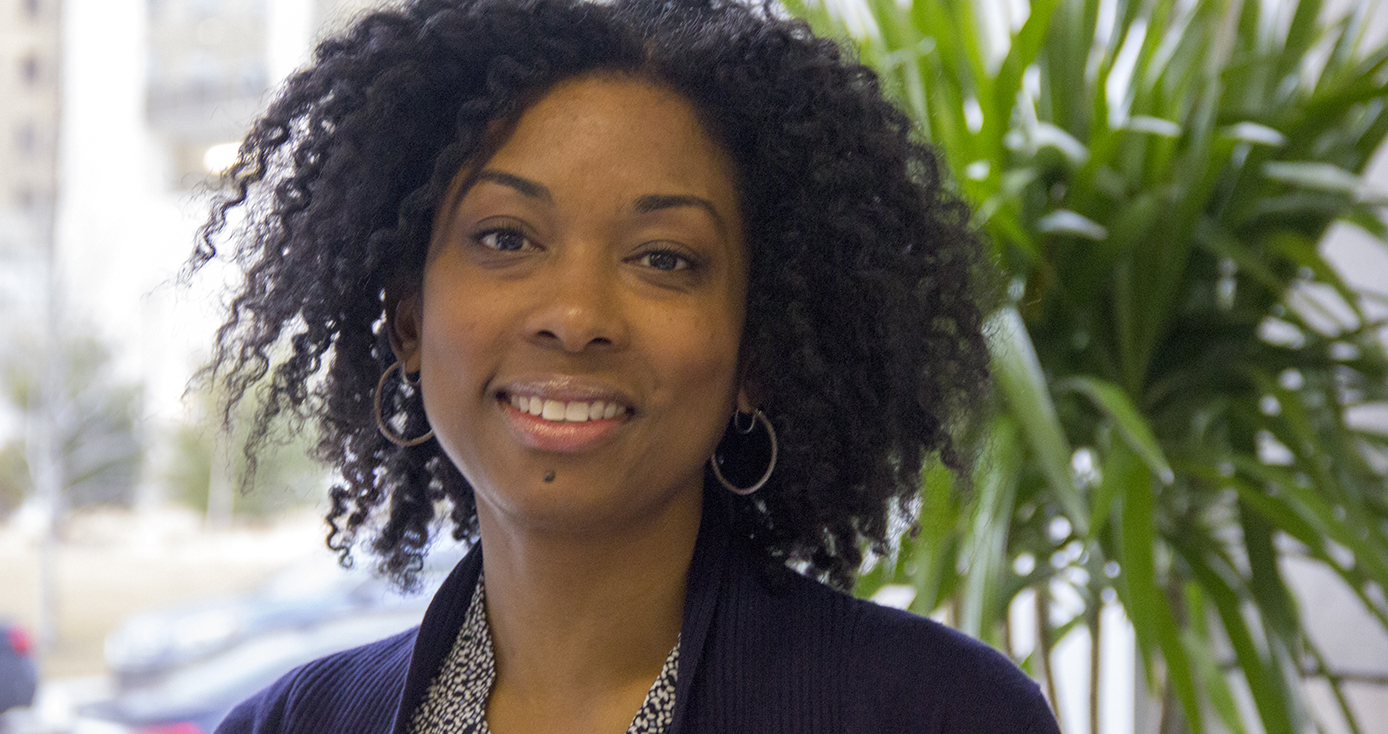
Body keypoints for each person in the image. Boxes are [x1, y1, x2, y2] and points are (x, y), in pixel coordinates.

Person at [194, 0, 1062, 731]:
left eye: (664, 258)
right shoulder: (291, 723)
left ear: (755, 350)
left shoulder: (940, 715)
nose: (576, 319)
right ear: (408, 320)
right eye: (505, 238)